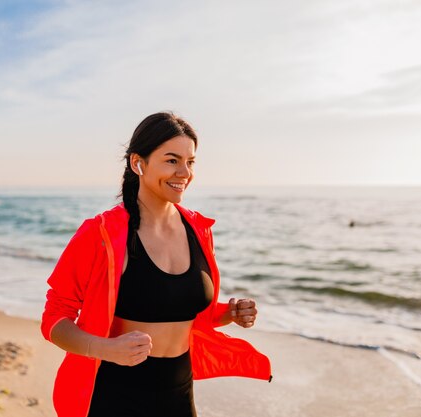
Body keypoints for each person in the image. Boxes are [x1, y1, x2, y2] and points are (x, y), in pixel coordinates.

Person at [40, 111, 272, 417]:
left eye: (190, 162)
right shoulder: (101, 234)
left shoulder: (199, 230)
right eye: (172, 160)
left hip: (179, 394)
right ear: (139, 163)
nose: (184, 173)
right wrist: (102, 348)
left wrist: (228, 313)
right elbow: (55, 317)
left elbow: (175, 309)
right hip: (114, 396)